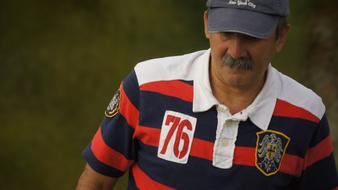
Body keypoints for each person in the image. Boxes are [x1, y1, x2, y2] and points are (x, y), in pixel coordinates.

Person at [76, 0, 338, 189]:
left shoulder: (307, 115)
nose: (235, 51)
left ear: (280, 37)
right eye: (226, 34)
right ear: (207, 25)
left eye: (251, 37)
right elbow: (96, 181)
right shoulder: (147, 86)